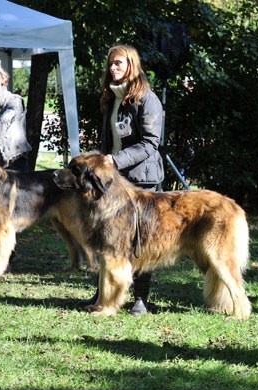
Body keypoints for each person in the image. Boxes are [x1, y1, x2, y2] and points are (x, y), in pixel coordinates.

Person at [88, 44, 164, 315]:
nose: (113, 68)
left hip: (141, 180)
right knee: (110, 239)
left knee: (141, 241)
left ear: (132, 65)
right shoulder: (111, 98)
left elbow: (150, 144)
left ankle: (140, 299)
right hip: (114, 180)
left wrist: (116, 161)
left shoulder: (147, 99)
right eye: (111, 63)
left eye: (118, 63)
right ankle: (105, 291)